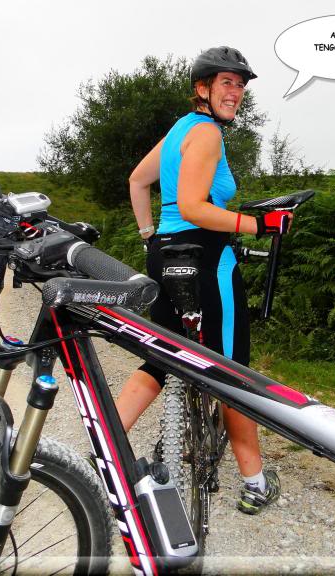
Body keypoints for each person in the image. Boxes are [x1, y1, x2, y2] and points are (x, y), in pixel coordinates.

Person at [114, 46, 293, 515]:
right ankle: (255, 481)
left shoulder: (179, 130)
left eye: (241, 84)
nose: (235, 92)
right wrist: (260, 226)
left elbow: (137, 181)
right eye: (226, 82)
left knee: (162, 356)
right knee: (232, 370)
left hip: (165, 256)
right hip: (207, 260)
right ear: (203, 88)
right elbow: (194, 207)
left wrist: (149, 236)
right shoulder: (208, 133)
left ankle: (105, 449)